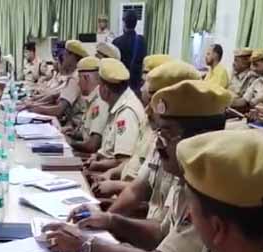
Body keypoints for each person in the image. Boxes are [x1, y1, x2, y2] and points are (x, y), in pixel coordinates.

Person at [43, 80, 231, 252]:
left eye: (167, 134)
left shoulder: (213, 193)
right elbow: (162, 233)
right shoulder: (185, 178)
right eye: (158, 133)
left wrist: (85, 245)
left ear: (198, 139)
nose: (158, 144)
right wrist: (111, 221)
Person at [105, 61, 201, 220]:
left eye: (154, 104)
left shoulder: (183, 149)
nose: (146, 111)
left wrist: (110, 221)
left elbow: (161, 228)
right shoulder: (161, 138)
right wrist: (106, 218)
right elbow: (136, 190)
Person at [90, 56, 187, 198]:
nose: (141, 88)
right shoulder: (150, 121)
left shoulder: (165, 135)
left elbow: (145, 192)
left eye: (145, 83)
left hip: (127, 196)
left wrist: (113, 185)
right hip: (123, 192)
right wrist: (110, 173)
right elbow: (133, 162)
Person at [83, 58, 145, 175]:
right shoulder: (118, 105)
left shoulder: (126, 113)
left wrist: (97, 165)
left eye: (99, 85)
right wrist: (97, 156)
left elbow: (124, 162)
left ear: (105, 90)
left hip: (112, 177)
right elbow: (109, 151)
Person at [27, 40, 88, 122]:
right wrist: (33, 103)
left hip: (72, 124)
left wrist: (33, 108)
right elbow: (54, 96)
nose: (63, 58)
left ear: (72, 57)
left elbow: (58, 110)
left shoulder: (75, 78)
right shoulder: (72, 76)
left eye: (65, 55)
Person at [64, 56, 109, 155]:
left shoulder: (99, 102)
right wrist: (74, 134)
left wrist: (69, 142)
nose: (78, 83)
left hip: (91, 157)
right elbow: (88, 134)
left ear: (86, 78)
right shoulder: (92, 99)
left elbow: (92, 145)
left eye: (79, 78)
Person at [113, 10, 146, 93]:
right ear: (136, 23)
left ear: (124, 23)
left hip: (121, 84)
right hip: (136, 84)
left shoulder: (117, 42)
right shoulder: (142, 41)